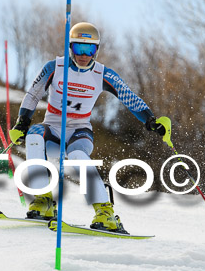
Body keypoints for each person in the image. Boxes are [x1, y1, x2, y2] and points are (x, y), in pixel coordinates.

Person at [8, 22, 166, 231]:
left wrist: (150, 119)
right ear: (70, 48)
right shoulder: (55, 67)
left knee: (77, 157)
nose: (83, 55)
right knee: (33, 137)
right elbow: (33, 93)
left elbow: (129, 97)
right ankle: (43, 201)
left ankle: (105, 213)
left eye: (89, 49)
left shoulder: (103, 74)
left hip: (79, 131)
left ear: (96, 51)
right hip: (53, 129)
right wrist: (23, 122)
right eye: (78, 48)